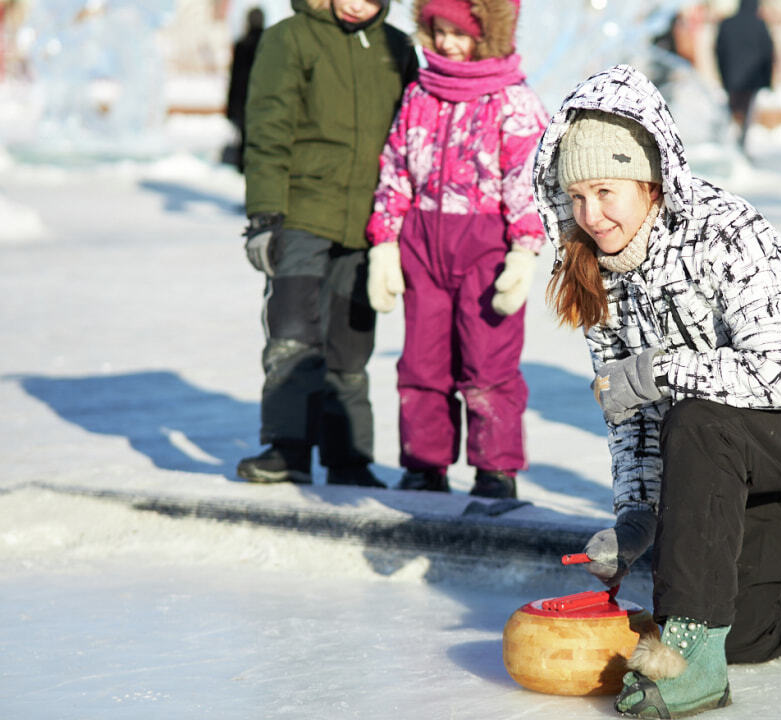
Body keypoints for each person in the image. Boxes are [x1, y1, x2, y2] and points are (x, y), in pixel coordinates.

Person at [534, 64, 781, 718]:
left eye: (605, 191)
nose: (591, 215)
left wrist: (659, 370)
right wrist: (635, 519)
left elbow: (776, 374)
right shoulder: (595, 270)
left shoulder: (725, 231)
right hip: (734, 439)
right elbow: (630, 417)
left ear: (650, 181)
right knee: (745, 631)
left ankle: (685, 656)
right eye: (576, 197)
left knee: (697, 421)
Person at [367, 0, 547, 499]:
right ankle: (425, 465)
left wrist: (524, 251)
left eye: (458, 32)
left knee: (489, 363)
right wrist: (384, 242)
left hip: (486, 245)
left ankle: (495, 470)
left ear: (486, 35)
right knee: (421, 362)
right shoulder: (421, 92)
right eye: (437, 29)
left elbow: (529, 178)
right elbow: (396, 167)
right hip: (422, 242)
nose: (445, 42)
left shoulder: (513, 100)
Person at [236, 0, 418, 488]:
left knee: (352, 344)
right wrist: (265, 213)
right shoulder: (289, 39)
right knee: (293, 329)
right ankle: (287, 449)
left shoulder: (396, 47)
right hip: (301, 212)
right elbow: (268, 128)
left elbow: (411, 138)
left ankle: (349, 458)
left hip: (367, 224)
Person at [713, 0, 775, 151]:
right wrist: (767, 80)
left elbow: (719, 51)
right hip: (752, 80)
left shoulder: (727, 24)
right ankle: (740, 146)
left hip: (731, 78)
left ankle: (732, 146)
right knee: (746, 115)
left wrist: (723, 75)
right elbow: (768, 53)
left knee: (733, 113)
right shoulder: (759, 25)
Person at [223, 5, 264, 173]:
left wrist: (231, 107)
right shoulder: (268, 43)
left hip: (243, 102)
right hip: (262, 101)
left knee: (245, 141)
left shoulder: (242, 44)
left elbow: (235, 78)